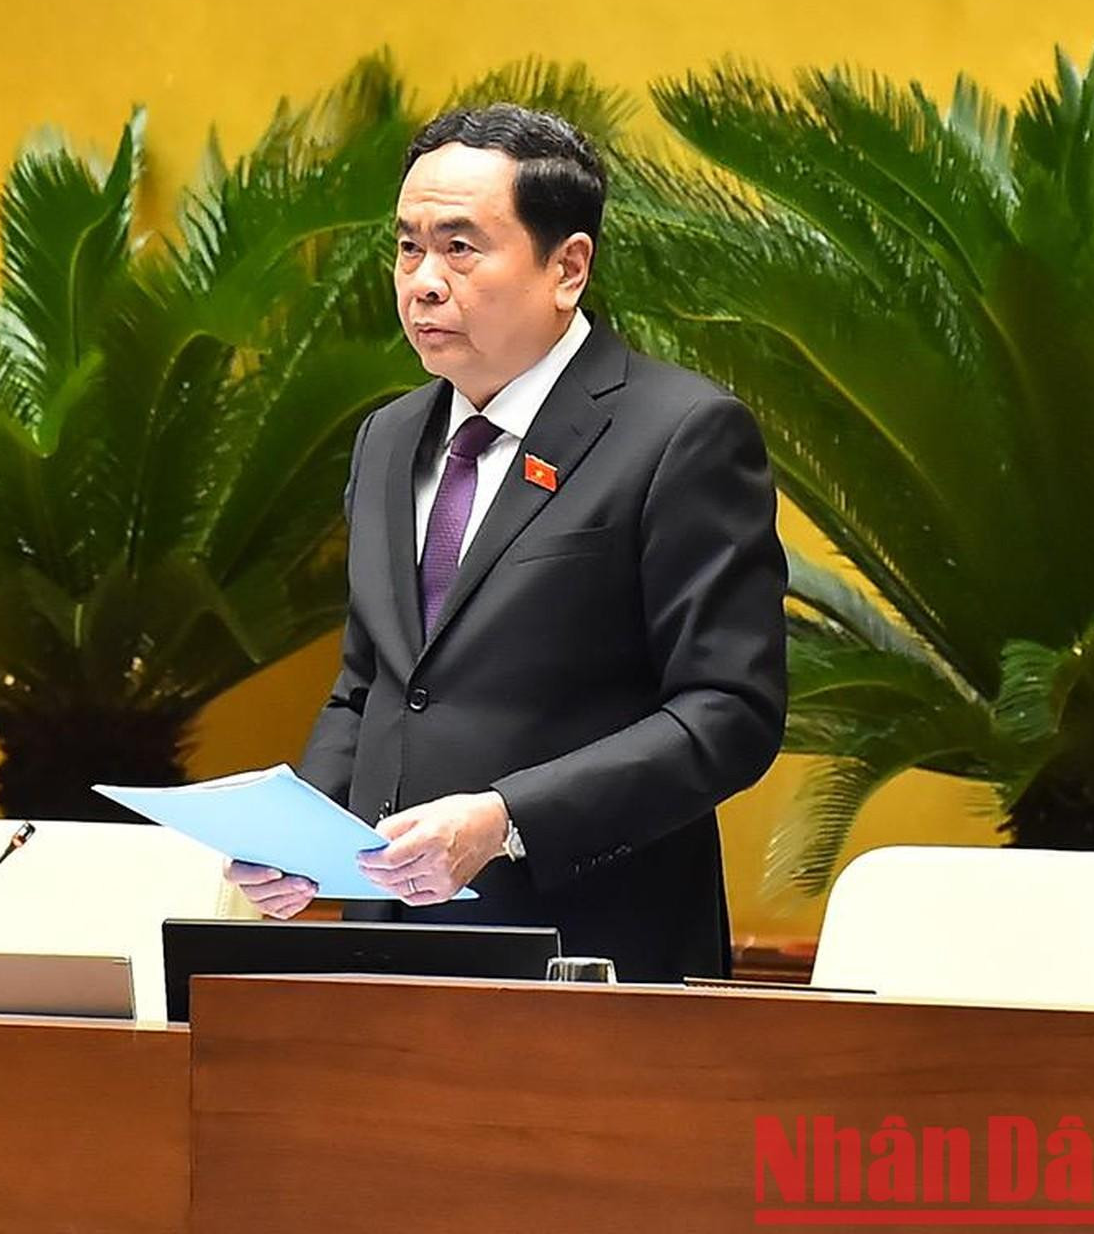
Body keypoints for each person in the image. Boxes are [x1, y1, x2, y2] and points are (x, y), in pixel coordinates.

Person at [228, 105, 787, 981]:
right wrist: (302, 829)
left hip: (591, 951)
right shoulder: (385, 440)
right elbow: (371, 686)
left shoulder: (679, 434)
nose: (422, 280)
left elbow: (728, 714)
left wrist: (504, 817)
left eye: (460, 247)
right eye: (408, 247)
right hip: (389, 949)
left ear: (567, 267)